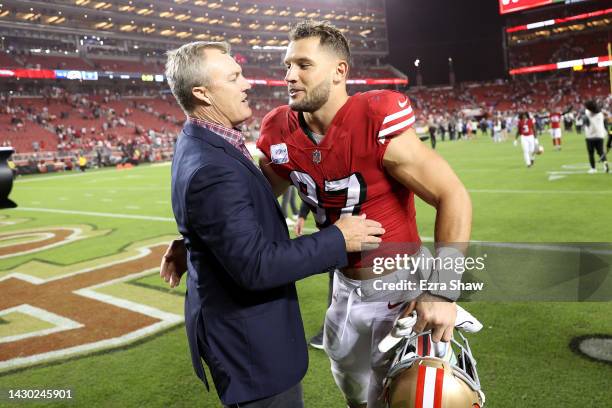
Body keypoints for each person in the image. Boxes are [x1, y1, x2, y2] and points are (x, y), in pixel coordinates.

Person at [256, 21, 470, 408]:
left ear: (340, 71)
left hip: (402, 289)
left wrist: (442, 287)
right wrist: (194, 239)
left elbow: (452, 194)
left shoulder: (374, 117)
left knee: (424, 399)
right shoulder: (279, 131)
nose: (289, 76)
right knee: (359, 398)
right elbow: (250, 201)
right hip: (344, 292)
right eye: (288, 65)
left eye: (303, 65)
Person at [162, 41, 384, 408]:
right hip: (251, 352)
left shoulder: (199, 139)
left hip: (241, 341)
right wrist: (337, 238)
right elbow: (257, 267)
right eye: (234, 77)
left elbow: (227, 212)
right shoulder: (212, 165)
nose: (248, 83)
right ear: (202, 93)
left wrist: (195, 244)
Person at [583, 100, 609, 174]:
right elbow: (605, 117)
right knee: (601, 152)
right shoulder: (600, 114)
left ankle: (593, 168)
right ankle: (606, 165)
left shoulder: (587, 113)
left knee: (591, 153)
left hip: (590, 136)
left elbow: (585, 122)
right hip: (600, 135)